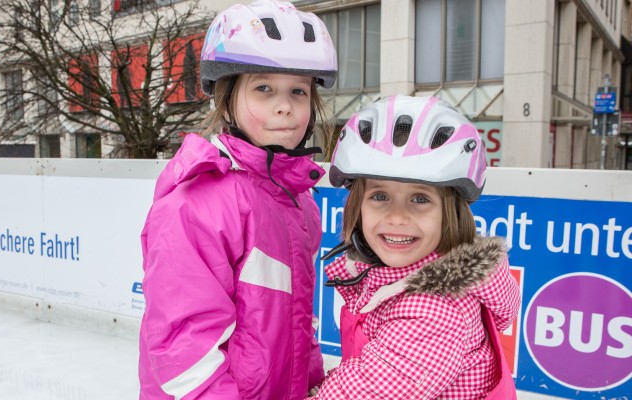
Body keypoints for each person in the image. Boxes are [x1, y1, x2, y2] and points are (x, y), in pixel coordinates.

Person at [138, 1, 337, 399]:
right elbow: (185, 352)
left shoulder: (298, 200)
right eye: (264, 88)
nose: (284, 105)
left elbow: (296, 321)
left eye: (298, 91)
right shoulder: (197, 204)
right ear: (226, 99)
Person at [310, 95, 521, 399]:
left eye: (420, 199)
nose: (397, 217)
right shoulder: (393, 277)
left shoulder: (434, 310)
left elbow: (370, 391)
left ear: (449, 214)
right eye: (380, 196)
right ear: (358, 206)